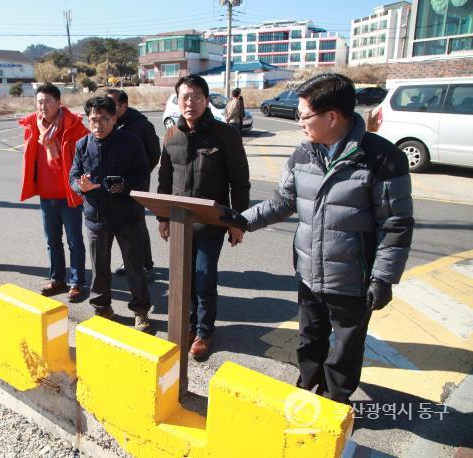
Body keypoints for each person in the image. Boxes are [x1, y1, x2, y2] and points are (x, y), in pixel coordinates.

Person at [222, 73, 414, 404]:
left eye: (303, 115)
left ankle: (336, 399)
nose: (299, 123)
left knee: (346, 346)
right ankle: (309, 382)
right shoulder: (303, 154)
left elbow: (395, 224)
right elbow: (282, 202)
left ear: (331, 117)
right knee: (309, 336)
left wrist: (383, 278)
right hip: (309, 272)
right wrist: (242, 220)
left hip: (354, 278)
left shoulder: (382, 158)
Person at [157, 74, 251, 359]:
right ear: (178, 100)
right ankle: (187, 324)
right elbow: (164, 179)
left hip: (211, 222)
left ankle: (204, 331)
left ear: (206, 100)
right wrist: (163, 218)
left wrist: (238, 222)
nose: (190, 102)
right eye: (185, 97)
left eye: (197, 96)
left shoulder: (226, 134)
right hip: (179, 221)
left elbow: (240, 181)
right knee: (182, 278)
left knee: (204, 277)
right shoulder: (172, 134)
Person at [69, 96, 152, 332]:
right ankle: (102, 308)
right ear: (87, 119)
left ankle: (140, 311)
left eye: (104, 119)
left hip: (128, 216)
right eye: (93, 119)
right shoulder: (82, 145)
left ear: (114, 118)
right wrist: (79, 186)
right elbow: (73, 175)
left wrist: (123, 185)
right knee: (99, 268)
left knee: (134, 267)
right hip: (96, 216)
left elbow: (143, 174)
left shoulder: (131, 142)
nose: (98, 125)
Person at [19, 83, 89, 302]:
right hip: (46, 195)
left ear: (59, 103)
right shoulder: (33, 126)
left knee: (74, 241)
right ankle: (57, 278)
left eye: (48, 101)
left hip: (69, 195)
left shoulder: (74, 127)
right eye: (39, 101)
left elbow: (87, 157)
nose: (43, 106)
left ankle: (76, 282)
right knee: (52, 240)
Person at [104, 89, 161, 278]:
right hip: (113, 186)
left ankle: (144, 264)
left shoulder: (141, 126)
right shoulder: (109, 122)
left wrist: (139, 176)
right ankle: (130, 261)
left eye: (112, 105)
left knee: (136, 224)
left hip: (136, 184)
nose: (108, 108)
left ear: (123, 106)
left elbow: (154, 154)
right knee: (119, 225)